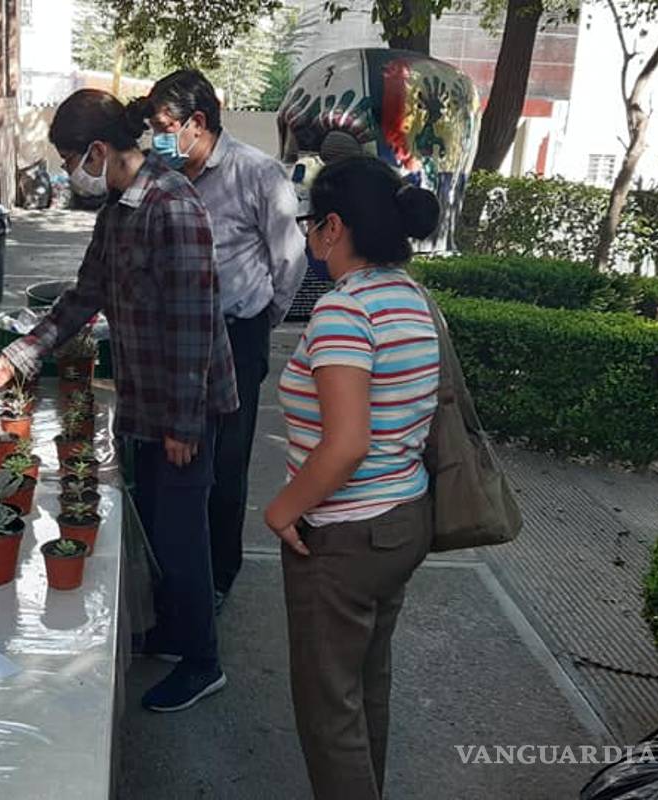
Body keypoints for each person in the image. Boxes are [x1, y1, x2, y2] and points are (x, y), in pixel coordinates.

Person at [0, 88, 238, 713]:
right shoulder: (120, 208)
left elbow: (196, 321)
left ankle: (203, 661)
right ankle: (176, 631)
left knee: (180, 536)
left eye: (69, 160)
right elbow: (81, 297)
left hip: (183, 406)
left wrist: (181, 422)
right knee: (156, 525)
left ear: (97, 149)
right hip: (147, 399)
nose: (70, 174)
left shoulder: (173, 206)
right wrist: (12, 360)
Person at [264, 157, 441, 799]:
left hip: (342, 537)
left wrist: (280, 510)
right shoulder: (412, 297)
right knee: (367, 687)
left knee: (328, 711)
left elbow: (344, 447)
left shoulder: (344, 311)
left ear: (334, 227)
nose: (309, 238)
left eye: (312, 224)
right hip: (402, 523)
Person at [142, 70, 308, 611]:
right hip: (174, 339)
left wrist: (259, 323)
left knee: (226, 460)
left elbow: (289, 261)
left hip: (237, 336)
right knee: (175, 454)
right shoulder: (162, 173)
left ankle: (218, 573)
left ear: (197, 123)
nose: (157, 139)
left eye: (164, 127)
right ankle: (172, 569)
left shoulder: (258, 174)